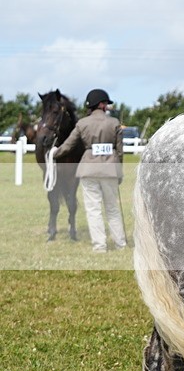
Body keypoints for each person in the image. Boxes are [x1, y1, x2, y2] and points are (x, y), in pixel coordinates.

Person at [54, 89, 126, 253]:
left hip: (88, 170)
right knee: (112, 208)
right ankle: (120, 244)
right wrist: (118, 171)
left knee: (93, 210)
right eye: (106, 103)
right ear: (101, 104)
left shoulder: (82, 124)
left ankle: (99, 246)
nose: (107, 106)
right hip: (109, 171)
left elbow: (68, 145)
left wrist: (54, 154)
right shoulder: (114, 123)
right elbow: (120, 152)